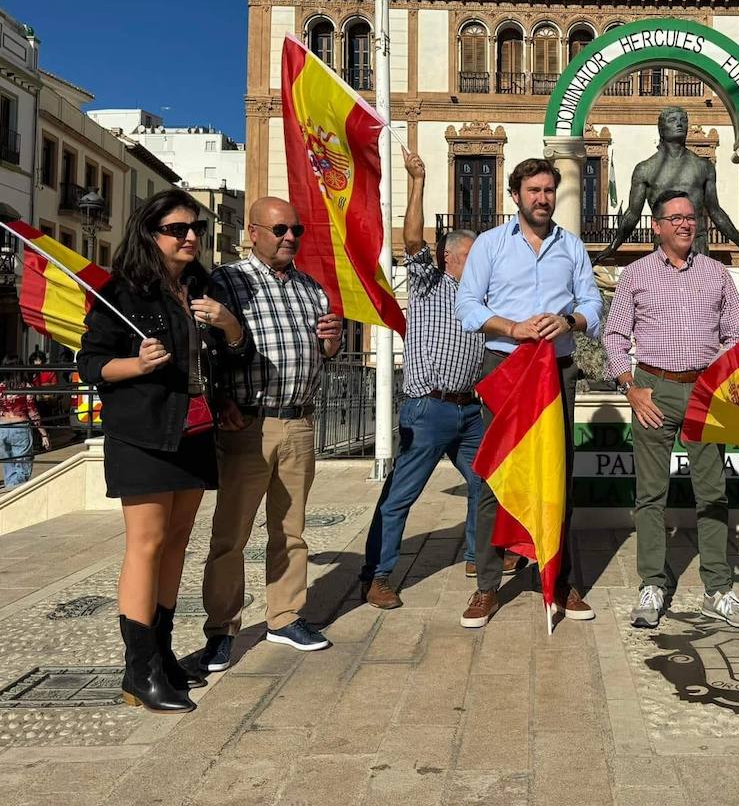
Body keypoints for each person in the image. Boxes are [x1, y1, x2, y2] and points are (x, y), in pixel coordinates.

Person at [78, 189, 247, 712]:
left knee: (177, 543)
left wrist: (228, 324)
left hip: (194, 432)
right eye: (178, 229)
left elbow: (234, 352)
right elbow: (91, 364)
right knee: (146, 544)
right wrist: (138, 365)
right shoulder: (123, 292)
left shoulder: (200, 286)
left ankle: (165, 652)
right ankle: (140, 669)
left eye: (194, 227)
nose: (191, 236)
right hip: (145, 433)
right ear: (150, 234)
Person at [455, 157, 603, 628]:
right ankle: (486, 587)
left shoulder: (572, 247)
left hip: (556, 369)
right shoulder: (491, 246)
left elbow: (593, 304)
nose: (542, 198)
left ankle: (560, 581)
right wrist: (512, 326)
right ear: (515, 196)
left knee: (556, 474)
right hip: (506, 366)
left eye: (548, 190)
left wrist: (569, 321)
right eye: (533, 190)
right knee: (495, 475)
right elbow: (467, 306)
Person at [200, 197, 343, 670]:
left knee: (291, 530)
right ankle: (222, 629)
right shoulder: (228, 282)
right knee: (231, 534)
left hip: (300, 419)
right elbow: (209, 351)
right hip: (249, 422)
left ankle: (284, 617)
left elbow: (324, 352)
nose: (290, 238)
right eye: (280, 229)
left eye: (295, 231)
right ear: (253, 231)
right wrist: (219, 400)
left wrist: (332, 340)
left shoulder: (310, 288)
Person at [602, 189, 739, 630]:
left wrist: (726, 383)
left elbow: (736, 335)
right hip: (652, 389)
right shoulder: (634, 275)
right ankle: (652, 583)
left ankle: (718, 589)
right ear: (657, 226)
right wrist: (630, 386)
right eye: (676, 219)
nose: (687, 225)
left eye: (691, 218)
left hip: (706, 391)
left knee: (712, 491)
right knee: (650, 494)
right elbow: (614, 336)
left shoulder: (717, 275)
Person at [359, 151, 493, 609]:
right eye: (472, 257)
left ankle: (480, 556)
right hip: (429, 406)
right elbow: (412, 238)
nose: (480, 265)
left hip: (469, 409)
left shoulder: (482, 298)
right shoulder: (430, 282)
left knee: (486, 481)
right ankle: (376, 575)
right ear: (449, 256)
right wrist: (418, 182)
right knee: (401, 495)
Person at [592, 105, 739, 262]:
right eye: (672, 120)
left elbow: (715, 211)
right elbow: (632, 214)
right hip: (665, 244)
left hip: (697, 244)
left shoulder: (704, 167)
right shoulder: (645, 169)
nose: (679, 124)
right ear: (661, 129)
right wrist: (613, 246)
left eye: (683, 120)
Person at [0, 354, 51, 490]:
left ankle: (9, 489)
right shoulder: (26, 387)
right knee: (23, 466)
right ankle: (15, 490)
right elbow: (32, 412)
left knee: (8, 465)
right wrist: (43, 433)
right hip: (20, 427)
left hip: (2, 427)